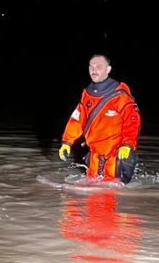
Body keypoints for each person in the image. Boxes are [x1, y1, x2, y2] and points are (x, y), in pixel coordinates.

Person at [58, 54, 141, 182]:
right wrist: (67, 142)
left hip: (115, 154)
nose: (94, 70)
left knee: (113, 190)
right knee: (92, 190)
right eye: (91, 67)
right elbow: (77, 118)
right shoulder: (86, 94)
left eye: (99, 67)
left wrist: (128, 144)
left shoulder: (120, 95)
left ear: (108, 69)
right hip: (94, 155)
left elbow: (132, 120)